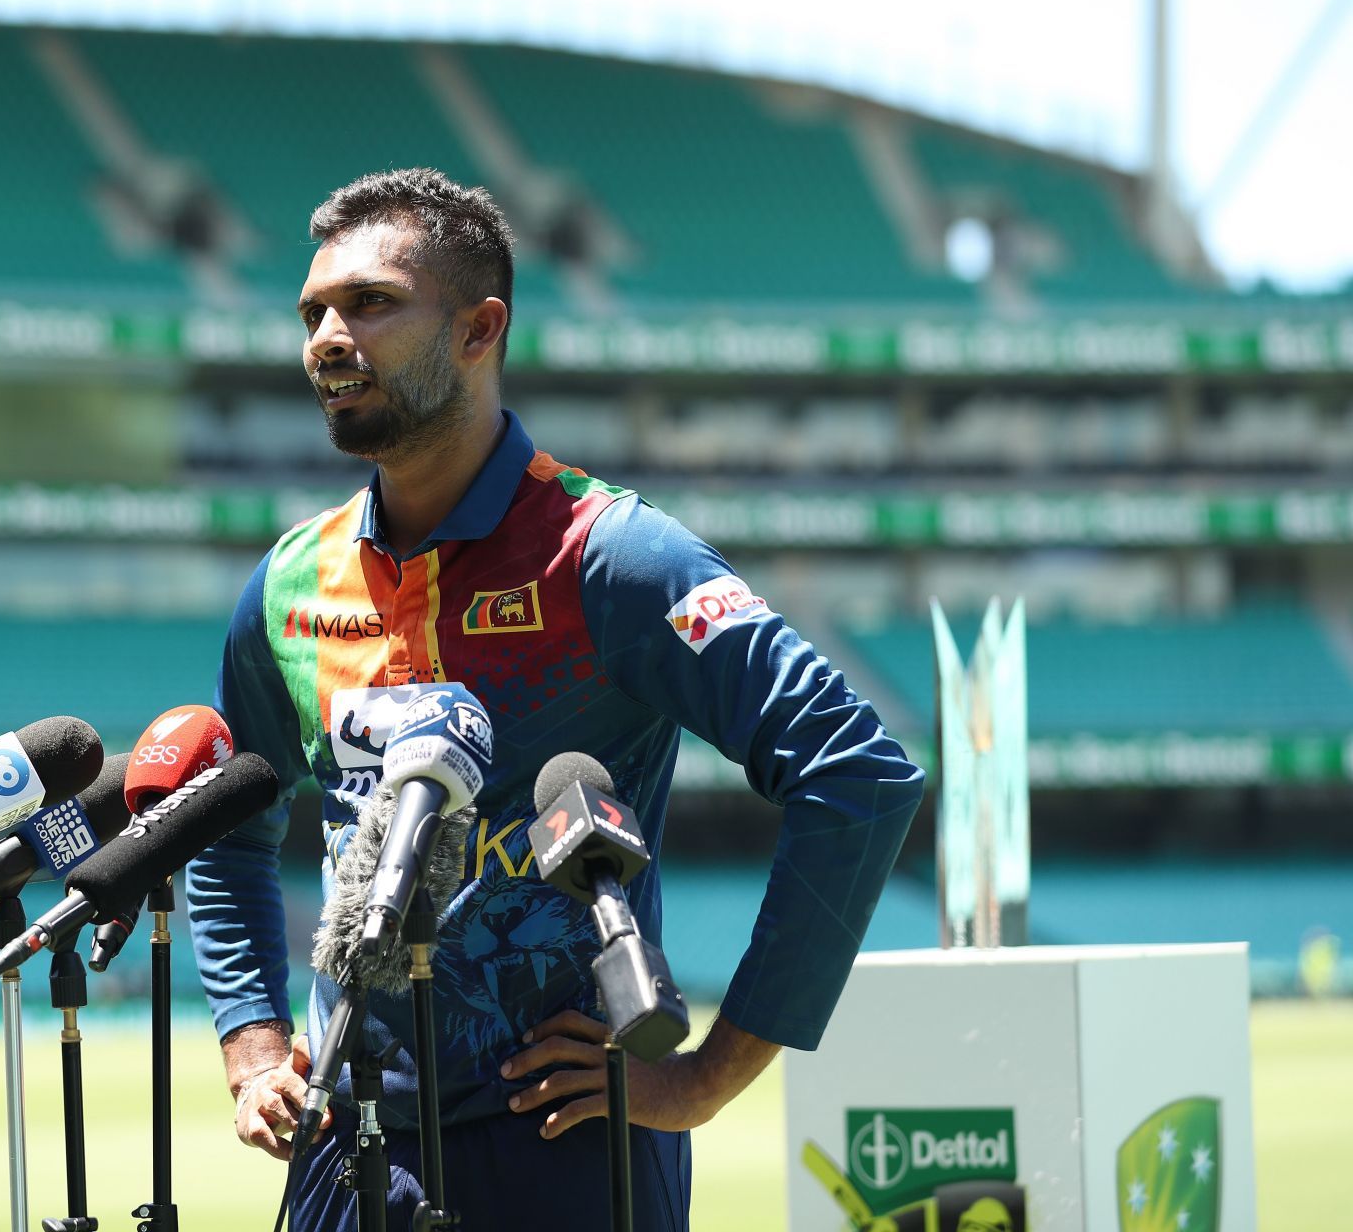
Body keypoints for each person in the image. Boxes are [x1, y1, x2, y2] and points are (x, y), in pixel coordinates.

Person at [183, 167, 923, 1230]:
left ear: (481, 327)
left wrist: (706, 1074)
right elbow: (228, 824)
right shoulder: (289, 584)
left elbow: (857, 771)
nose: (327, 337)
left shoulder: (612, 555)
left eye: (371, 303)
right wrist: (252, 1043)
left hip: (567, 1145)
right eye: (313, 312)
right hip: (345, 1149)